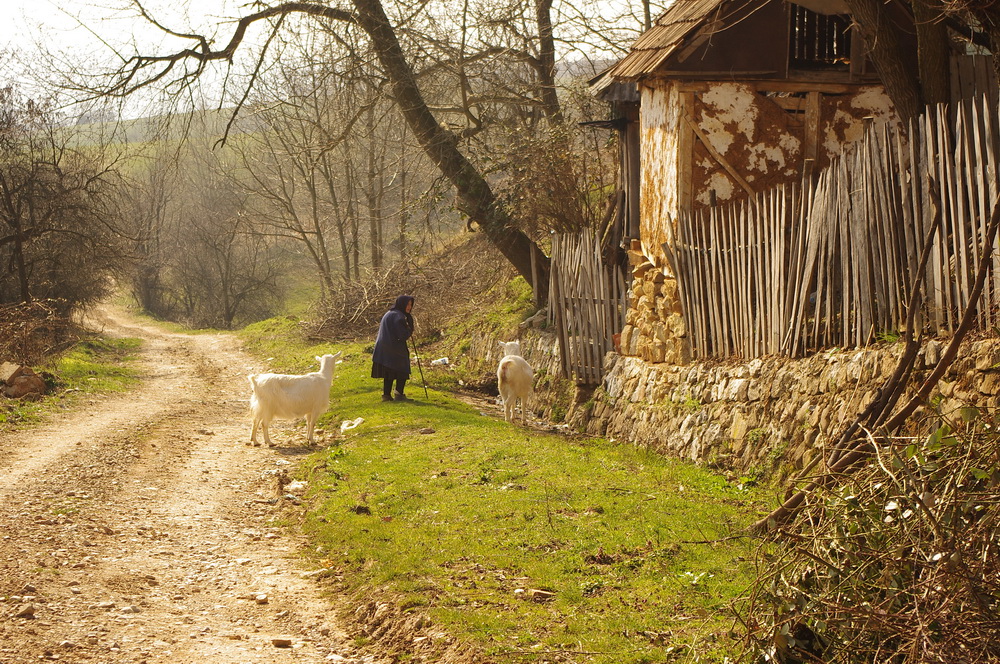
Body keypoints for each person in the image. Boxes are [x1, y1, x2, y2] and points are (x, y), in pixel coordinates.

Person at [371, 295, 415, 401]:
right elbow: (402, 335)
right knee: (402, 367)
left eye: (410, 304)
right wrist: (410, 328)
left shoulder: (390, 313)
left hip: (384, 347)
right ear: (402, 304)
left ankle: (386, 395)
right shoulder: (399, 316)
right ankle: (399, 394)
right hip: (392, 347)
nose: (409, 307)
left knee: (389, 371)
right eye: (407, 304)